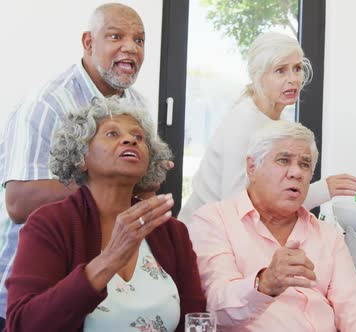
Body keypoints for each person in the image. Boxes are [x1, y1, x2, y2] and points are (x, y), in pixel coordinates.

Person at [0, 3, 148, 327]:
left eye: (139, 40)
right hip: (39, 288)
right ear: (88, 42)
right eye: (116, 36)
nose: (131, 48)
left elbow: (144, 188)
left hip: (112, 298)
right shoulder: (47, 103)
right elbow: (18, 202)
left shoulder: (135, 104)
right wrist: (103, 185)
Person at [5, 98, 206, 331]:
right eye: (112, 134)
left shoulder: (172, 232)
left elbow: (195, 319)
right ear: (81, 157)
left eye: (139, 137)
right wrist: (109, 259)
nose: (130, 140)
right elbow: (23, 324)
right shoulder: (50, 224)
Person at [188, 120, 356, 331]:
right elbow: (215, 307)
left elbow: (355, 308)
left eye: (305, 164)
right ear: (252, 167)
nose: (296, 172)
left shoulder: (327, 235)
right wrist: (264, 284)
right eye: (284, 160)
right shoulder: (214, 220)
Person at [178, 32, 356, 222]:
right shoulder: (243, 125)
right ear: (258, 76)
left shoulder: (275, 123)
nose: (293, 79)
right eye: (281, 70)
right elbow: (237, 209)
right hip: (202, 237)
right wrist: (321, 190)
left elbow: (269, 197)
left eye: (297, 68)